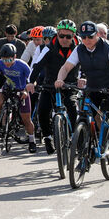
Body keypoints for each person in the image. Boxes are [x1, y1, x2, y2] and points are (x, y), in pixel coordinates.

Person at [54, 21, 109, 144]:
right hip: (93, 87)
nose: (87, 40)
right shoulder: (79, 49)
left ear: (97, 34)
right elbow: (66, 67)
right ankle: (87, 144)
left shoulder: (108, 47)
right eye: (83, 37)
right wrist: (60, 79)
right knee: (85, 114)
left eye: (90, 36)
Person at [27, 19, 79, 154]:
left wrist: (83, 78)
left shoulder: (79, 47)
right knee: (43, 109)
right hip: (50, 84)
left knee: (72, 106)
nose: (64, 39)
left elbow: (86, 64)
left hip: (70, 84)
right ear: (57, 34)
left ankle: (75, 136)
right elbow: (37, 65)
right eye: (61, 36)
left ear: (73, 36)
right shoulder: (49, 47)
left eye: (68, 36)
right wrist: (31, 81)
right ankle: (47, 137)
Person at [0, 43, 35, 152]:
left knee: (26, 119)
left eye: (9, 60)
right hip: (8, 88)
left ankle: (32, 140)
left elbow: (33, 81)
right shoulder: (0, 63)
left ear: (14, 57)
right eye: (4, 60)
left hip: (22, 90)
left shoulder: (22, 65)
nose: (6, 63)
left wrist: (26, 90)